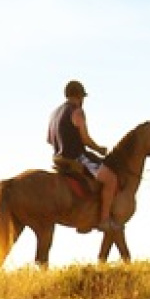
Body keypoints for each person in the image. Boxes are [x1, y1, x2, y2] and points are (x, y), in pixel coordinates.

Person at [46, 80, 119, 230]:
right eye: (83, 98)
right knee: (111, 179)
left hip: (58, 159)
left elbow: (49, 140)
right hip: (77, 158)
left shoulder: (54, 113)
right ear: (79, 96)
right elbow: (85, 139)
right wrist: (99, 149)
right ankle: (104, 220)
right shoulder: (77, 111)